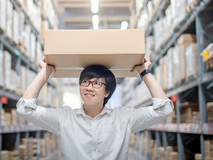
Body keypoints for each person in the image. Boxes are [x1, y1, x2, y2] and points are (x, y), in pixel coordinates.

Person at [16, 57, 173, 160]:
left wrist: (143, 72)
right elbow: (25, 109)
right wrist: (46, 72)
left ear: (107, 92)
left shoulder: (123, 118)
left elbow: (163, 109)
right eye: (85, 82)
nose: (89, 87)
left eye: (97, 83)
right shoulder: (64, 118)